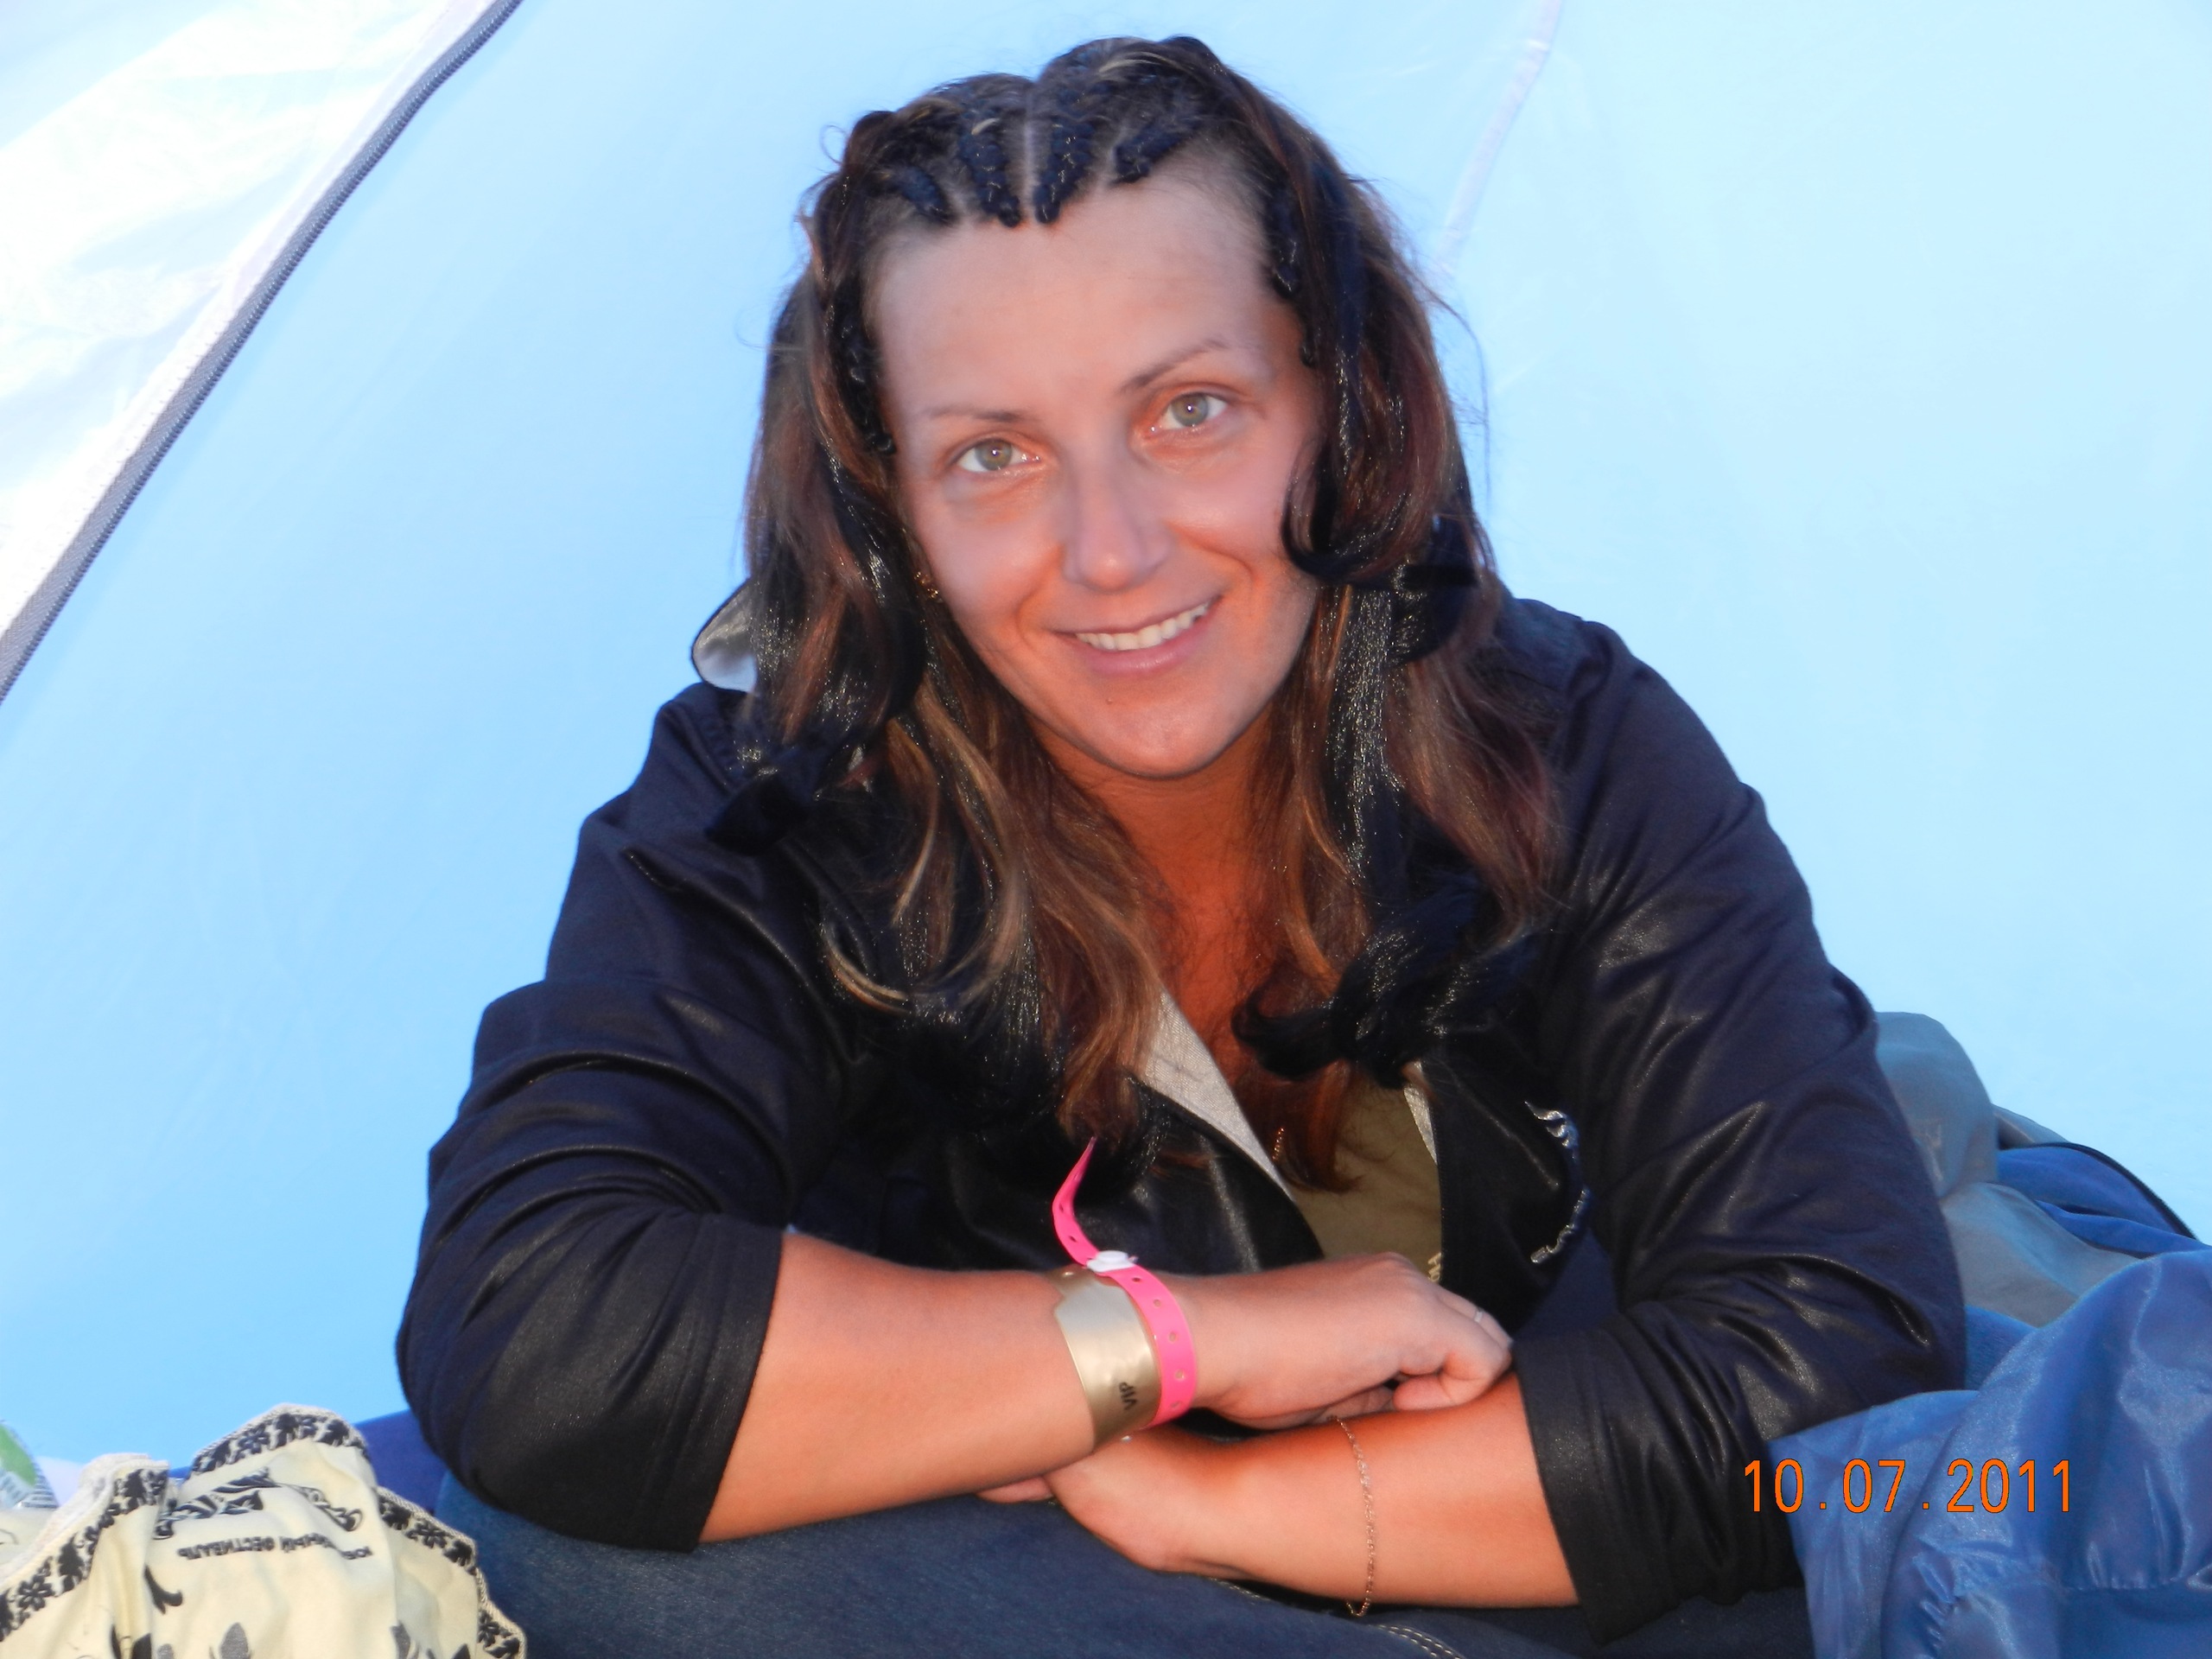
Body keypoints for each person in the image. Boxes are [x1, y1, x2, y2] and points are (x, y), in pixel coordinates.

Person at [399, 36, 1963, 1658]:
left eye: (1190, 411)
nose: (1113, 550)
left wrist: (1222, 1504)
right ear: (892, 515)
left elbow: (1840, 1374)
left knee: (1955, 1489)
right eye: (993, 455)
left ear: (1339, 409)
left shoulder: (1563, 739)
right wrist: (1169, 1341)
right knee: (538, 1535)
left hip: (1518, 1548)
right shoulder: (777, 809)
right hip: (1054, 1595)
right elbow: (538, 1329)